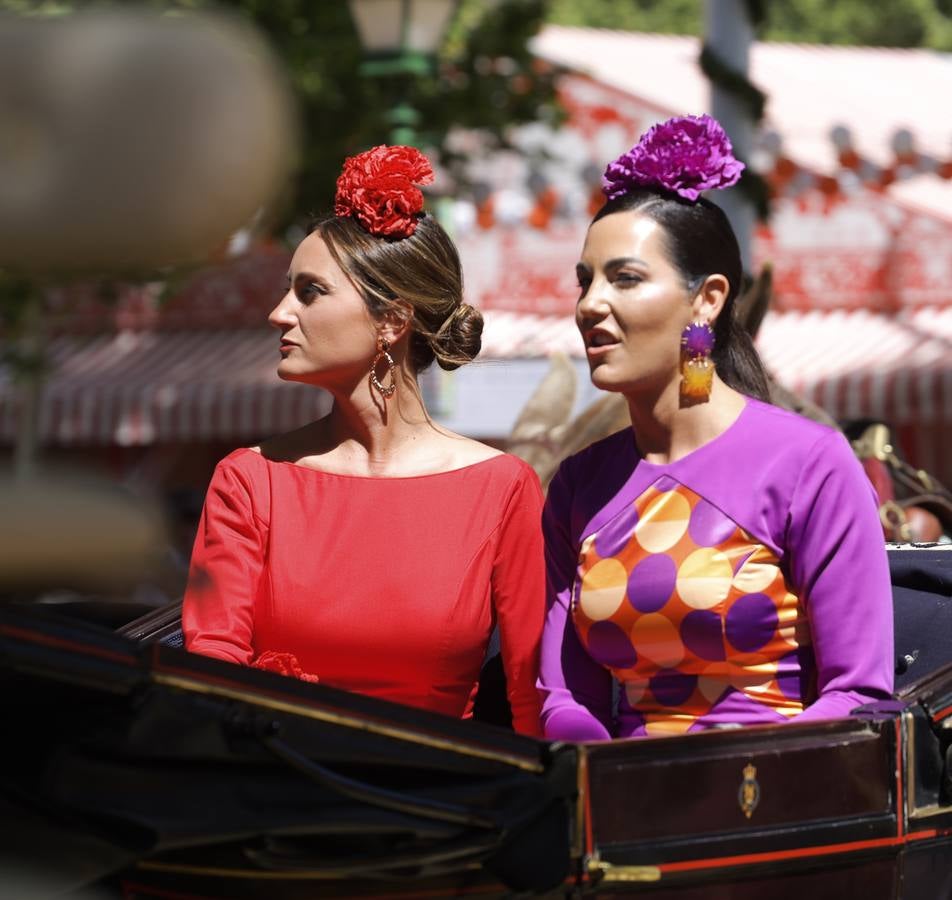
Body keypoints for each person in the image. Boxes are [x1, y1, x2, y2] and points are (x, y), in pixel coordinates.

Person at [538, 115, 894, 740]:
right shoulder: (577, 484)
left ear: (708, 299)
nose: (590, 303)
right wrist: (612, 779)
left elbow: (858, 695)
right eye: (584, 280)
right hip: (625, 812)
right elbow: (564, 697)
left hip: (774, 804)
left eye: (624, 278)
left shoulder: (810, 464)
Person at [183, 145, 545, 736]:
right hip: (274, 795)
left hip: (442, 808)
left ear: (390, 321)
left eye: (309, 292)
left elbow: (534, 694)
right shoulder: (249, 479)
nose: (279, 313)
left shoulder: (503, 489)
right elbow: (208, 670)